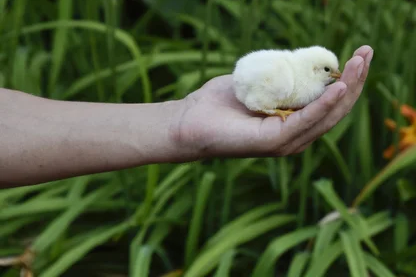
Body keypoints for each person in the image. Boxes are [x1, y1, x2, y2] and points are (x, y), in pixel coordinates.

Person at [0, 45, 373, 188]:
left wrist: (177, 123)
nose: (332, 77)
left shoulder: (292, 70)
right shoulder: (291, 74)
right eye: (328, 72)